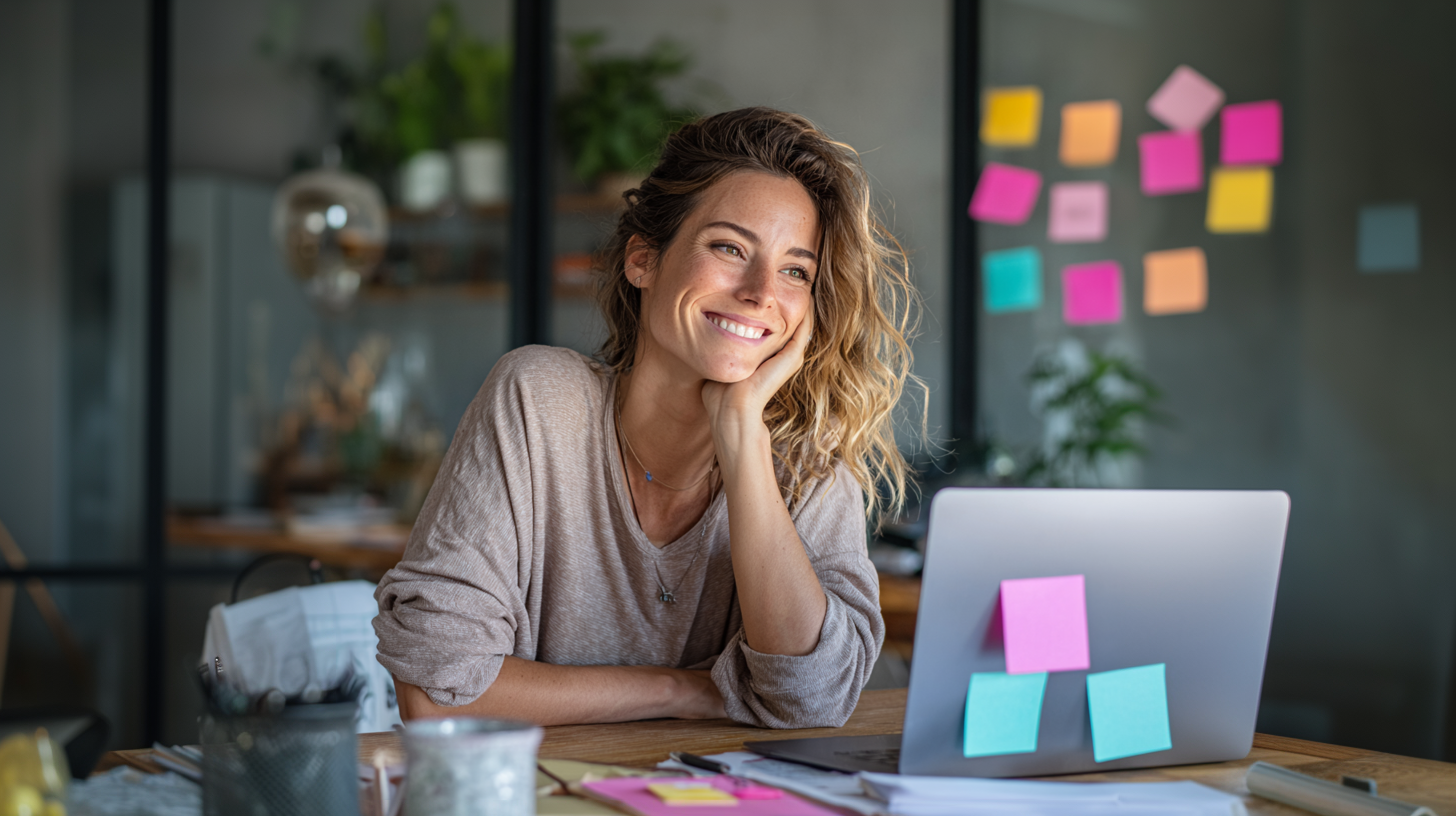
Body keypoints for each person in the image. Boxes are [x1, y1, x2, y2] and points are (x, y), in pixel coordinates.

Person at [373, 107, 922, 728]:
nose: (761, 291)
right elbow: (434, 695)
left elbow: (813, 701)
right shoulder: (538, 402)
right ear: (643, 260)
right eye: (729, 248)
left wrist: (742, 433)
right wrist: (681, 691)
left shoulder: (809, 469)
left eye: (796, 270)